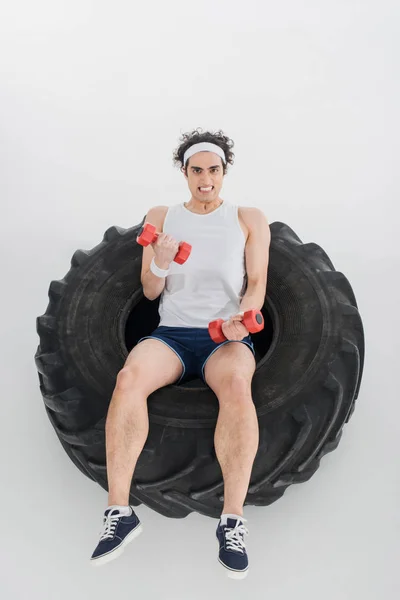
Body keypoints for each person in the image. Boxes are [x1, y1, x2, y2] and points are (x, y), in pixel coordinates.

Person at [90, 129, 271, 579]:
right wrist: (162, 260)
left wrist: (241, 320)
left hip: (224, 337)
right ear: (184, 172)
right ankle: (120, 513)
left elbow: (257, 285)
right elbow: (151, 290)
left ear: (224, 172)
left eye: (213, 170)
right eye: (196, 170)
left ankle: (232, 522)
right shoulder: (162, 216)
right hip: (172, 333)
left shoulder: (248, 218)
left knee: (235, 384)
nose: (205, 179)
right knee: (128, 379)